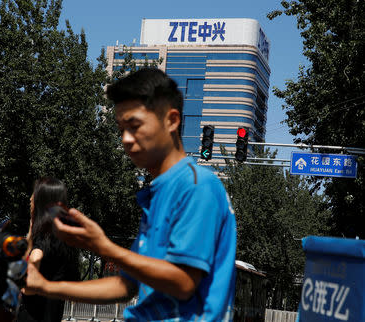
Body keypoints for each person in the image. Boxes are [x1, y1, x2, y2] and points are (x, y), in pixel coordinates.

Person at [24, 68, 237, 321]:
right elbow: (126, 286)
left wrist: (105, 247)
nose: (125, 139)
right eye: (121, 128)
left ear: (171, 120)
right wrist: (44, 286)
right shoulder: (158, 194)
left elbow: (183, 282)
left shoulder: (196, 186)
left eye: (134, 126)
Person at [17, 177, 81, 322]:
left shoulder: (44, 236)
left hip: (32, 315)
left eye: (34, 194)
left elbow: (34, 258)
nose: (30, 198)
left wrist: (25, 288)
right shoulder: (63, 236)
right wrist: (31, 226)